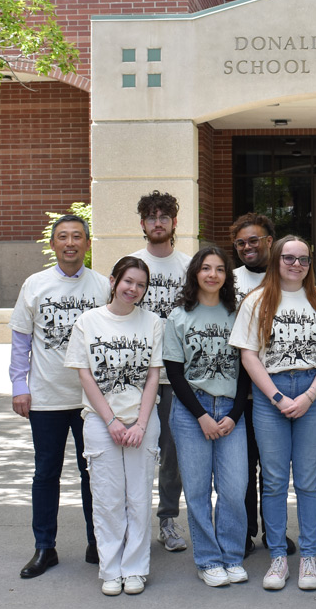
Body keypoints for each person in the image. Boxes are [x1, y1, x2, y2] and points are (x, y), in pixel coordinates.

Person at [229, 235, 316, 591]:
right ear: (276, 259)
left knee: (309, 482)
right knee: (275, 480)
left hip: (312, 393)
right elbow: (248, 354)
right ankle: (279, 556)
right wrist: (278, 397)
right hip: (270, 396)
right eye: (289, 258)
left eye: (304, 259)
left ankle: (308, 556)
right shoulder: (257, 300)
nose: (297, 265)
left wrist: (310, 395)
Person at [9, 214, 108, 579]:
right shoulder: (35, 285)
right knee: (46, 473)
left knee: (93, 473)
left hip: (91, 402)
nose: (70, 243)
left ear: (87, 243)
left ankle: (97, 541)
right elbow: (21, 340)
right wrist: (19, 385)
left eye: (77, 237)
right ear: (53, 245)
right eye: (63, 237)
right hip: (46, 396)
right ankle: (44, 547)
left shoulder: (102, 286)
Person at [64, 255, 164, 596]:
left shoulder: (152, 322)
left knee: (137, 498)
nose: (133, 289)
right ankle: (111, 569)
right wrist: (110, 421)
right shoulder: (88, 322)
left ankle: (134, 568)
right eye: (128, 282)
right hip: (99, 422)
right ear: (113, 281)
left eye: (141, 285)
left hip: (142, 421)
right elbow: (84, 374)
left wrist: (140, 423)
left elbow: (153, 376)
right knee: (106, 499)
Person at [164, 247, 250, 587]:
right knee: (197, 490)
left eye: (219, 269)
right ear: (195, 273)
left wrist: (235, 414)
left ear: (227, 276)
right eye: (205, 268)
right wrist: (200, 415)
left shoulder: (238, 314)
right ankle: (208, 560)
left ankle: (231, 556)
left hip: (231, 411)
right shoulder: (178, 316)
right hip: (191, 412)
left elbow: (247, 368)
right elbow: (174, 372)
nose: (212, 274)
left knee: (232, 489)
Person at [229, 213, 294, 556]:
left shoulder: (287, 276)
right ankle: (244, 532)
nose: (247, 247)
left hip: (279, 389)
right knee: (243, 467)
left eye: (253, 240)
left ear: (270, 241)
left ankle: (275, 533)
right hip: (242, 390)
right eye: (240, 243)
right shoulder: (231, 280)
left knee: (274, 469)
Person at [129, 190, 191, 553]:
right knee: (136, 451)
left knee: (172, 453)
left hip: (175, 375)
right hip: (135, 376)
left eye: (163, 216)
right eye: (151, 217)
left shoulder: (187, 266)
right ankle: (131, 520)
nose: (157, 222)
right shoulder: (131, 264)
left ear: (173, 223)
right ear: (142, 224)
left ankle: (167, 520)